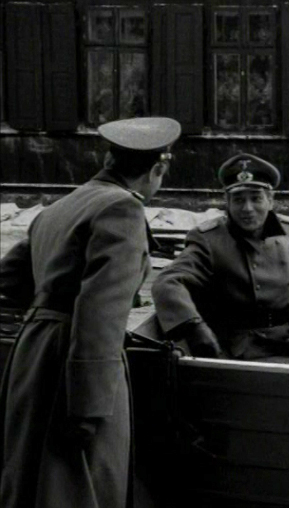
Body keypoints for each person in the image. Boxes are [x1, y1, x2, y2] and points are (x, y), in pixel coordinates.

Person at [0, 117, 181, 508]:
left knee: (30, 479)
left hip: (32, 357)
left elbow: (10, 280)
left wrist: (47, 313)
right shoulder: (122, 209)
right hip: (76, 363)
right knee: (79, 484)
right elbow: (101, 310)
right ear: (157, 169)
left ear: (108, 160)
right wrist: (89, 406)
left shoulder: (59, 207)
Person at [152, 153, 289, 366]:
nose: (247, 209)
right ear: (227, 203)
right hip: (241, 347)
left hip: (288, 334)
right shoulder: (209, 239)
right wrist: (193, 327)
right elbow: (168, 281)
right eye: (238, 200)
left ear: (270, 200)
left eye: (256, 198)